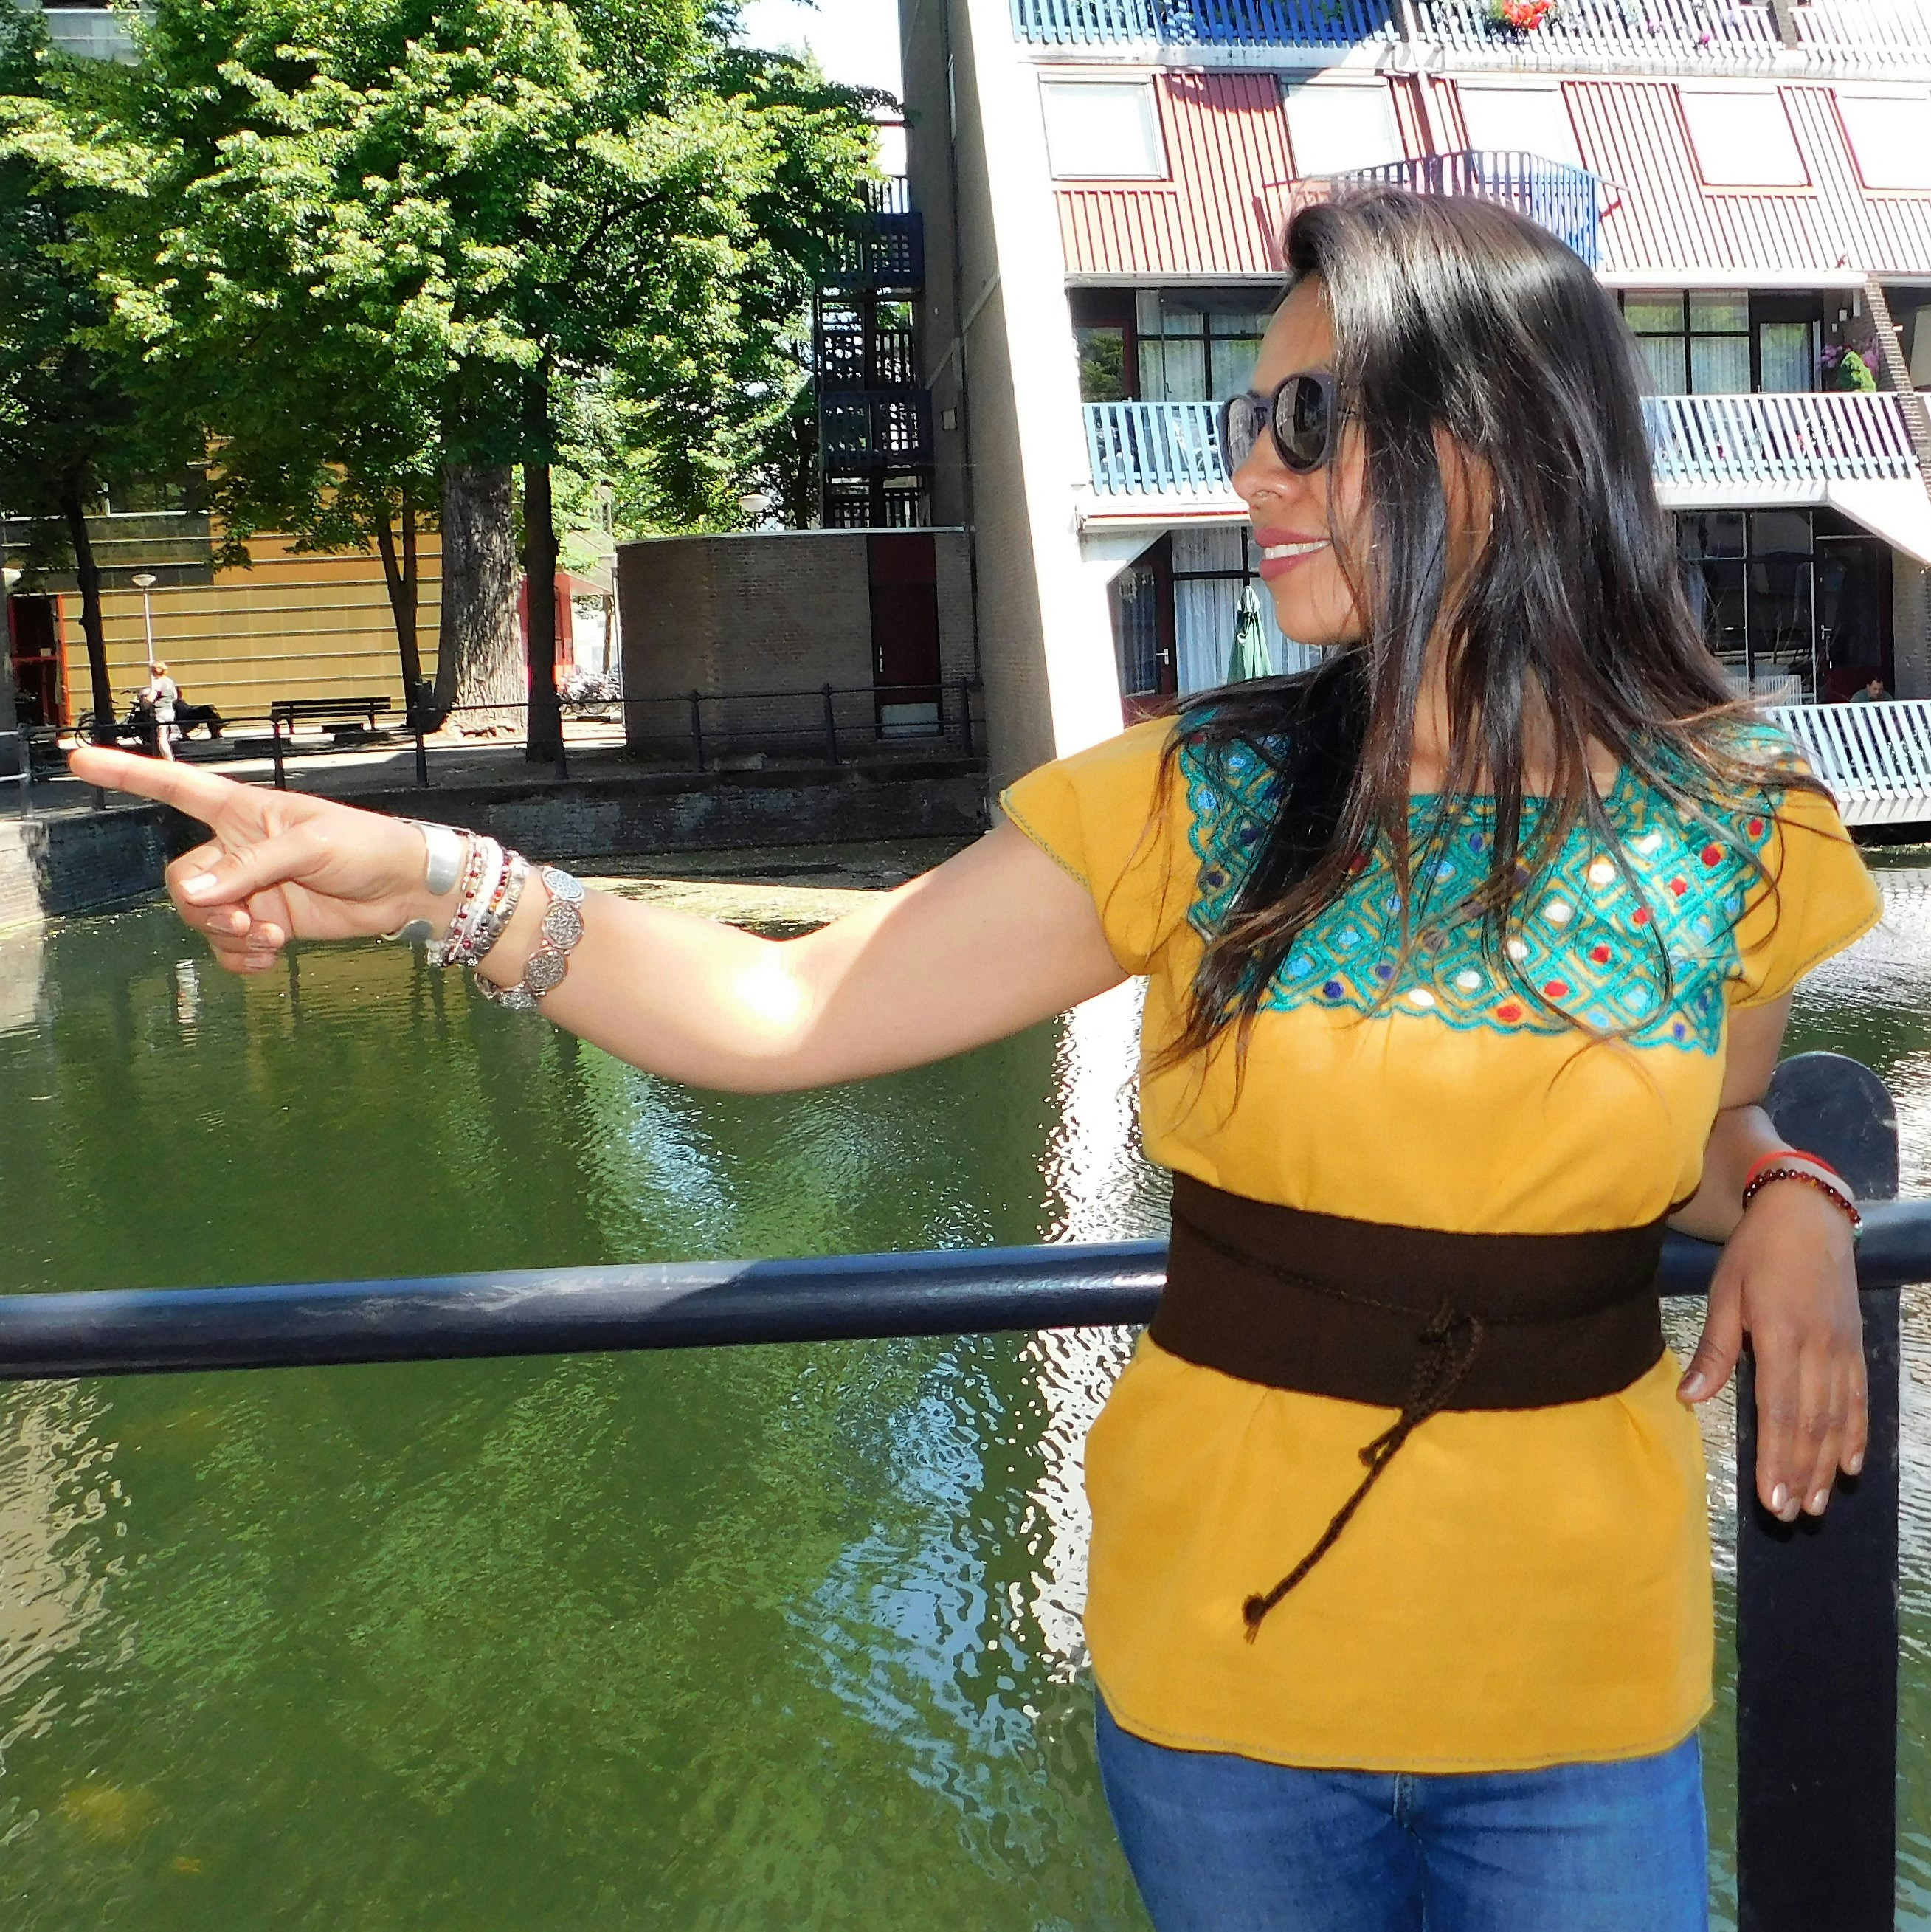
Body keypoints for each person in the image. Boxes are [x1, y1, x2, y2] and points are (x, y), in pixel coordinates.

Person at [70, 191, 1879, 1932]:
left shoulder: (1737, 829)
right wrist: (439, 881)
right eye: (1247, 421)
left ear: (1500, 443)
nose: (1250, 473)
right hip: (1226, 1669)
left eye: (1306, 422)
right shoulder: (1201, 799)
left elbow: (1708, 1127)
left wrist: (1792, 1197)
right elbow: (784, 1008)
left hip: (1580, 1673)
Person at [138, 659, 180, 762]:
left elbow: (151, 697)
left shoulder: (157, 683)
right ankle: (165, 757)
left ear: (154, 671)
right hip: (170, 711)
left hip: (160, 712)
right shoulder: (169, 681)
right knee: (166, 736)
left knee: (162, 738)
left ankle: (169, 759)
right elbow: (175, 696)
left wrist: (144, 699)